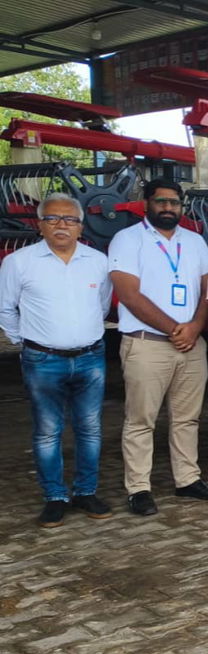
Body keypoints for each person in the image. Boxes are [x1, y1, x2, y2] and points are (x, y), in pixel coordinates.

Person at [108, 178, 208, 517]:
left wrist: (196, 327)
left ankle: (187, 478)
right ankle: (139, 487)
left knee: (188, 418)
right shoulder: (127, 240)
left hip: (191, 344)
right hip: (147, 344)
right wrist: (176, 329)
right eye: (161, 202)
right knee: (141, 420)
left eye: (174, 202)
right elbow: (128, 294)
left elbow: (207, 290)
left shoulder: (195, 241)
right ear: (147, 204)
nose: (168, 208)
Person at [0, 194, 112, 527]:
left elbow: (102, 306)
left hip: (91, 357)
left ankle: (85, 491)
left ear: (80, 226)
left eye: (70, 219)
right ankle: (55, 497)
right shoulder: (19, 262)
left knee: (90, 429)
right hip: (43, 360)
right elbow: (5, 308)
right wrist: (25, 341)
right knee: (48, 431)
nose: (61, 225)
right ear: (40, 224)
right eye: (52, 218)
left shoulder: (98, 261)